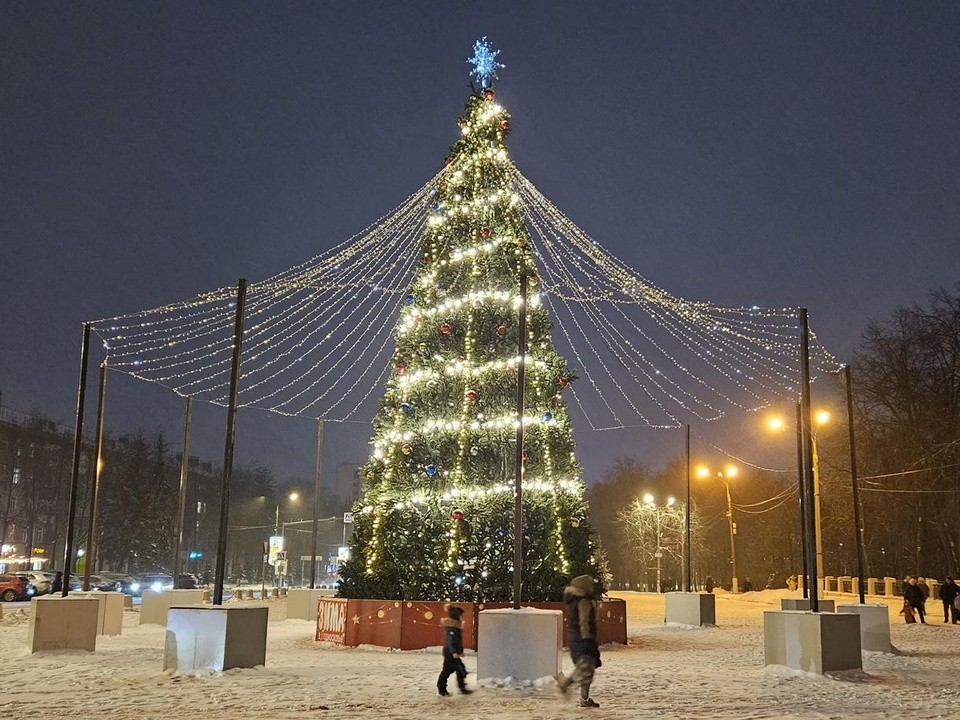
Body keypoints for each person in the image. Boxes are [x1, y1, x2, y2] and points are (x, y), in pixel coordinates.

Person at [558, 574, 601, 708]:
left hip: (575, 637)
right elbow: (584, 621)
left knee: (588, 668)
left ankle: (584, 698)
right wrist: (587, 639)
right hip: (582, 638)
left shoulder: (574, 600)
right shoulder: (583, 601)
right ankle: (566, 685)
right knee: (585, 667)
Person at [437, 604, 471, 696]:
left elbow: (457, 641)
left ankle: (462, 687)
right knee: (449, 671)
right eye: (460, 615)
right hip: (450, 653)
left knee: (459, 669)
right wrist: (454, 652)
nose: (461, 617)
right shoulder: (452, 628)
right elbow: (451, 641)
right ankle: (442, 689)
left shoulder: (455, 627)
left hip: (452, 653)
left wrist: (460, 651)